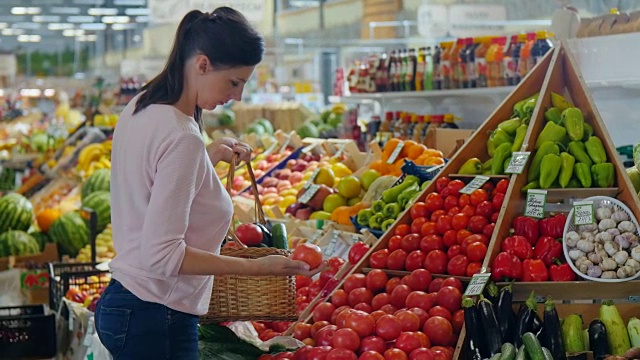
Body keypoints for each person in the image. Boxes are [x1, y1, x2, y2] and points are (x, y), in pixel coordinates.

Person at [94, 7, 324, 359]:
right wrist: (253, 268)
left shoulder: (142, 106)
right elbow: (163, 255)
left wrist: (207, 157)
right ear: (202, 64)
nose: (238, 96)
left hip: (131, 303)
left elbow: (151, 181)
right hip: (157, 314)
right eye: (235, 82)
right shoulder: (182, 135)